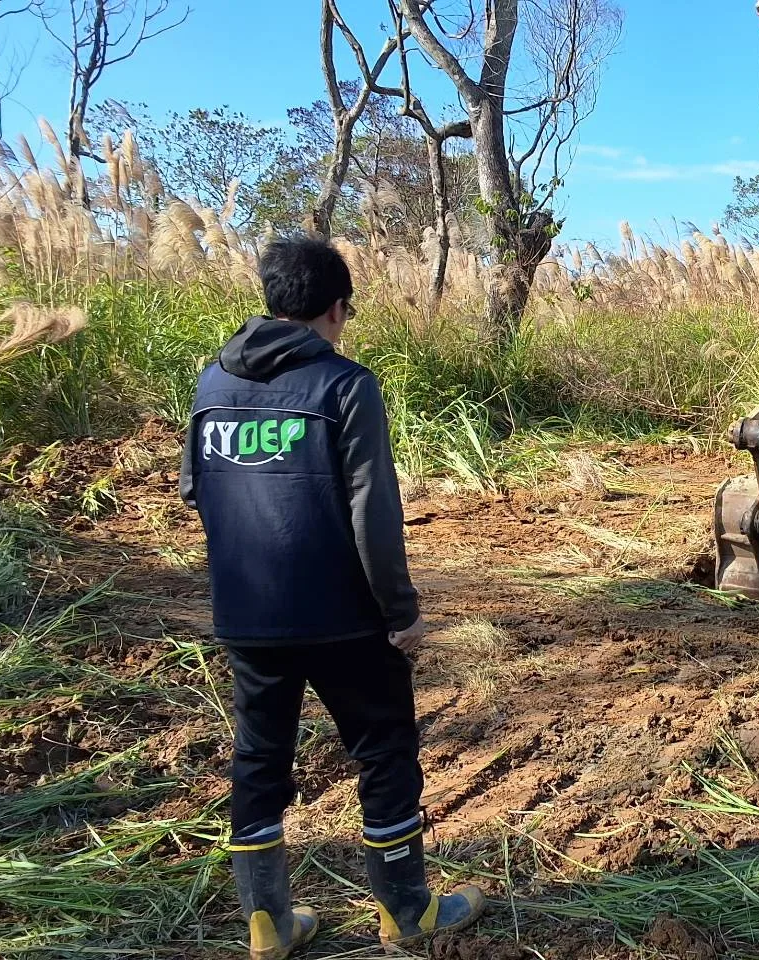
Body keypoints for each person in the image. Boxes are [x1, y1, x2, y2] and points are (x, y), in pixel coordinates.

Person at [180, 236, 484, 959]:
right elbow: (372, 512)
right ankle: (406, 912)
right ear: (337, 309)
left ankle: (267, 924)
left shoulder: (211, 385)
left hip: (246, 616)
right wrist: (400, 612)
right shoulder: (346, 385)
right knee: (384, 751)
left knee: (258, 759)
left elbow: (196, 489)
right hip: (343, 617)